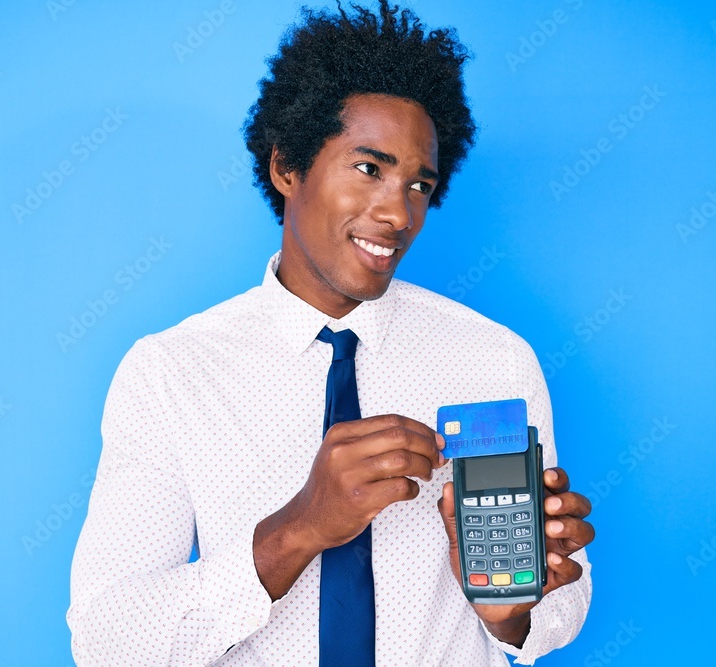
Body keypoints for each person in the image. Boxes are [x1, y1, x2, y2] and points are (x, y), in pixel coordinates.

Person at [67, 1, 594, 665]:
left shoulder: (493, 359)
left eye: (419, 183)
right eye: (368, 168)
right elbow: (108, 641)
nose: (397, 211)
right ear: (287, 166)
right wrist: (298, 528)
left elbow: (559, 614)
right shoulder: (173, 372)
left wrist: (512, 610)